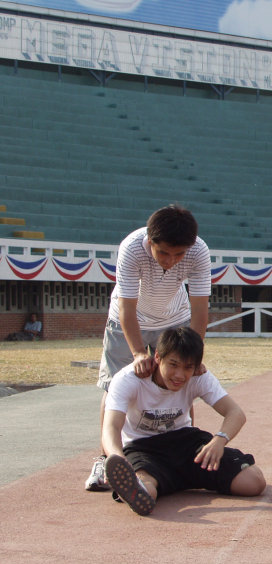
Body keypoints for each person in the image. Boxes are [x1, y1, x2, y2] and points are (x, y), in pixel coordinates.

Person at [85, 205, 211, 492]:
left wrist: (194, 355)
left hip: (175, 319)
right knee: (113, 387)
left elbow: (200, 308)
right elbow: (127, 308)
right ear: (150, 242)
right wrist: (139, 352)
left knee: (180, 382)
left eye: (179, 255)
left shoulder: (199, 250)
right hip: (127, 320)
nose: (171, 261)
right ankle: (106, 461)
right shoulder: (131, 248)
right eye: (164, 252)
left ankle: (183, 447)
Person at [101, 327, 266, 516]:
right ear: (157, 358)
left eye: (188, 367)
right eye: (173, 364)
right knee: (146, 490)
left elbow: (236, 413)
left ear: (196, 366)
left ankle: (178, 479)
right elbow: (111, 427)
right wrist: (116, 457)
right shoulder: (129, 379)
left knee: (254, 482)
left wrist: (220, 440)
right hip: (143, 449)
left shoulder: (198, 377)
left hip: (187, 445)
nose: (180, 375)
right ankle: (137, 485)